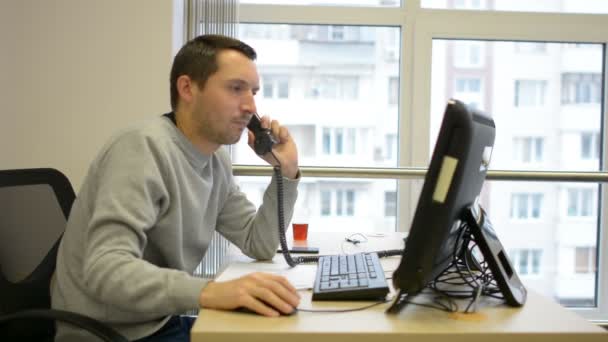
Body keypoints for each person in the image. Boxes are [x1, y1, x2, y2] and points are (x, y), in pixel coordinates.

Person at [51, 34, 301, 342]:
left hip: (158, 323)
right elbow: (106, 269)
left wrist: (285, 172)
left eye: (254, 92)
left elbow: (258, 242)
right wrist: (210, 291)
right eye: (236, 89)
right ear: (187, 88)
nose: (251, 107)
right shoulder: (142, 149)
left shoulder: (214, 161)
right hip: (109, 334)